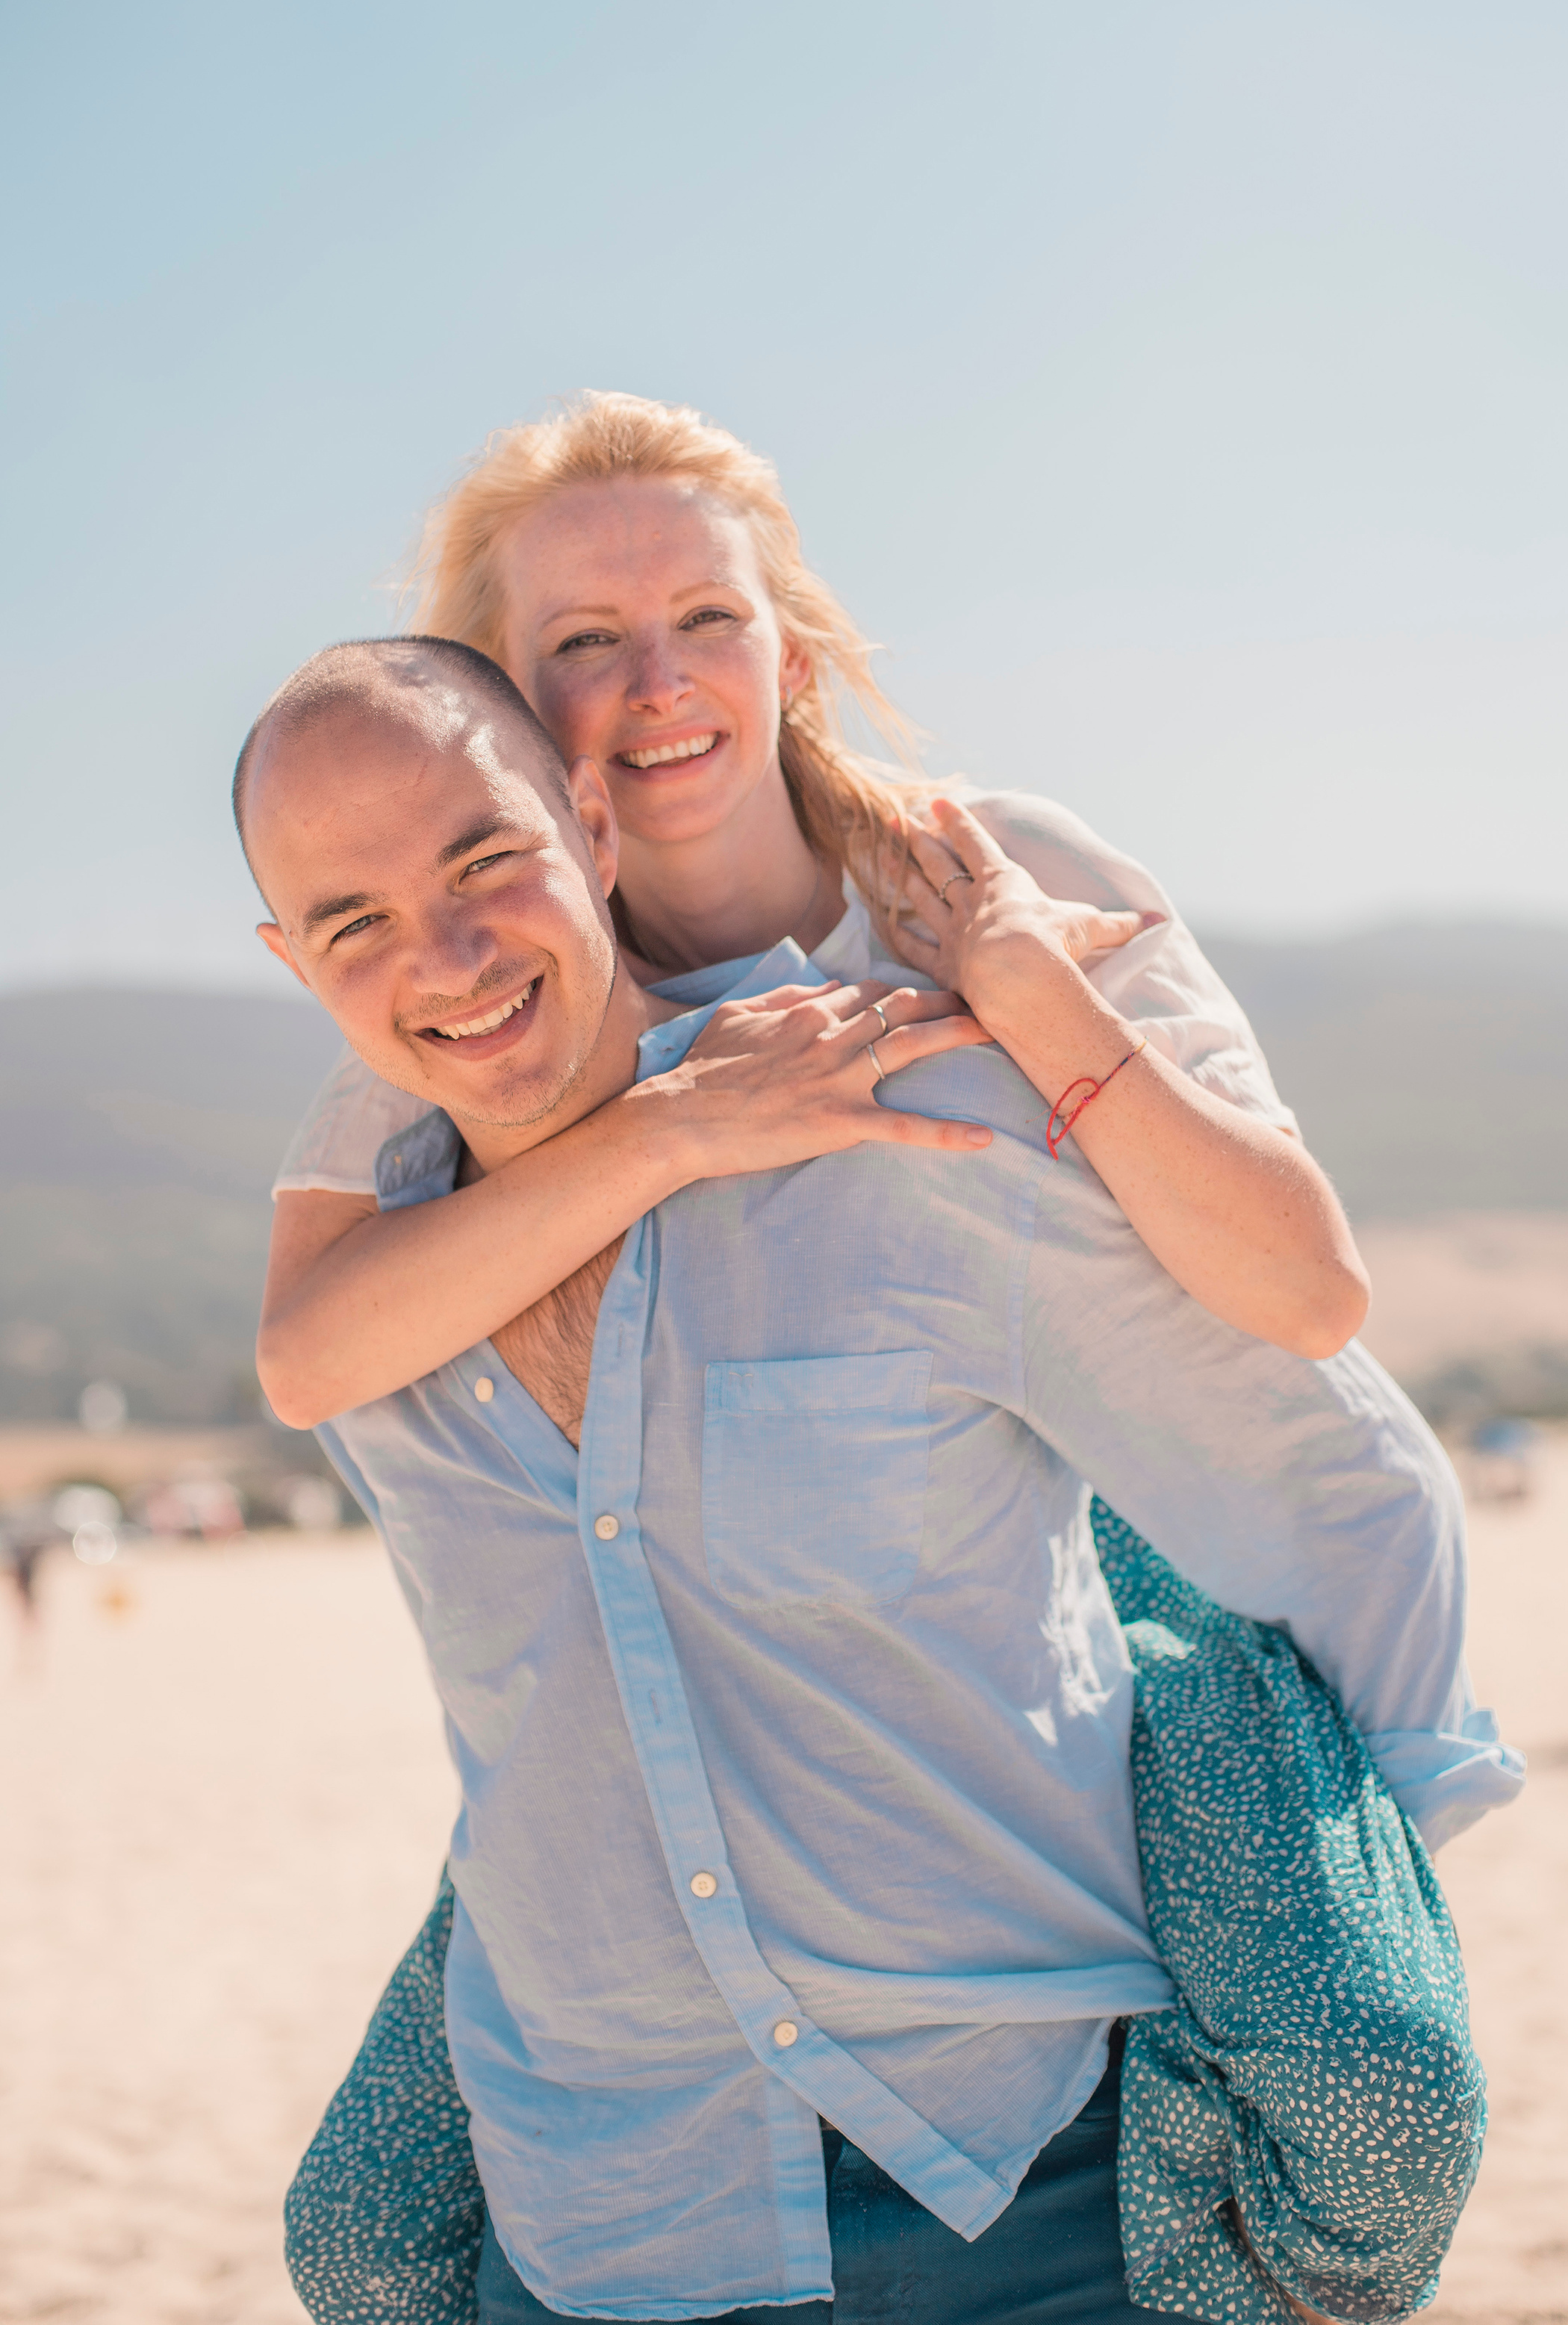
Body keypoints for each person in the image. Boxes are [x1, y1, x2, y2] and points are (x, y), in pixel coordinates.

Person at [238, 637, 1519, 2325]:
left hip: (1030, 2197)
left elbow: (1327, 1469)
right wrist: (670, 1128)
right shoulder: (372, 1277)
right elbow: (311, 1337)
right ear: (295, 965)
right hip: (602, 2225)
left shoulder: (903, 1123)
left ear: (595, 838)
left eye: (491, 864)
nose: (452, 954)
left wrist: (1363, 1881)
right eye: (357, 926)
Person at [258, 392, 1372, 1433]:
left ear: (787, 658)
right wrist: (678, 1124)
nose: (659, 683)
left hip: (1315, 1580)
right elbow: (309, 1360)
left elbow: (1312, 1295)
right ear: (498, 700)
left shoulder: (999, 871)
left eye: (707, 617)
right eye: (587, 640)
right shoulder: (494, 994)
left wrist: (1037, 1002)